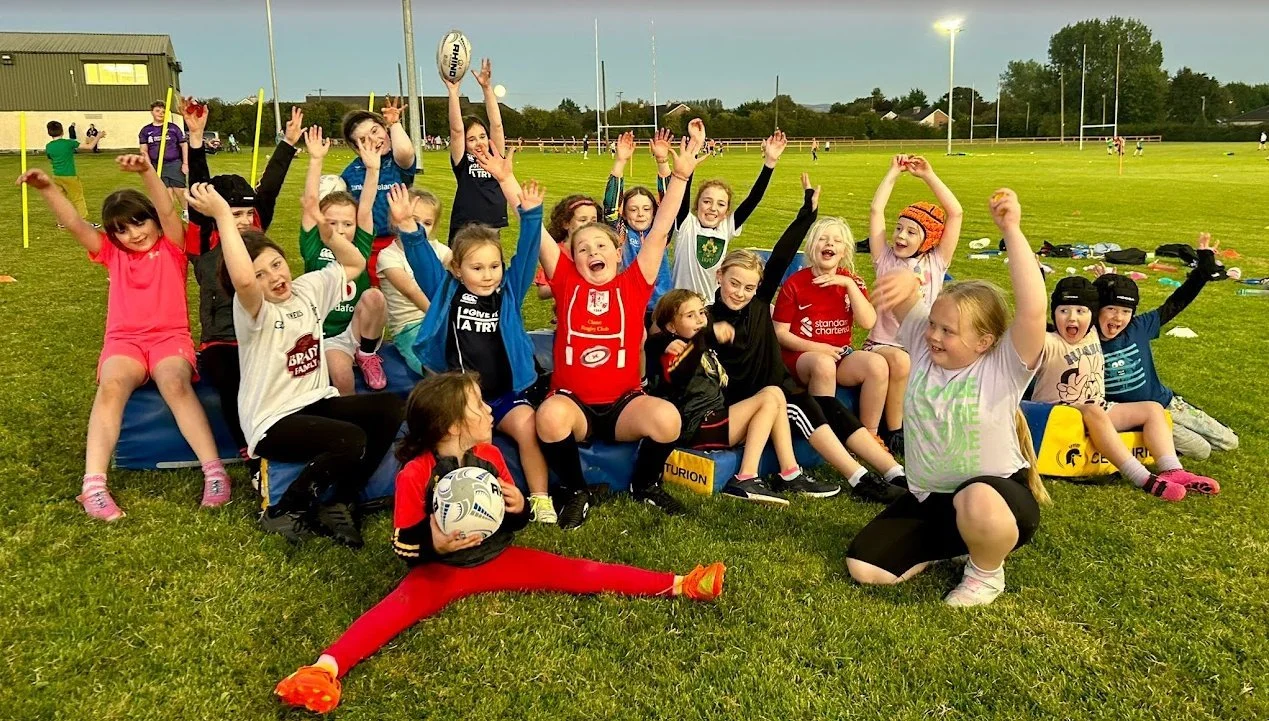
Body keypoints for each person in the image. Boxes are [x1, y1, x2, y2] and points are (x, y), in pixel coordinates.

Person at [272, 372, 725, 713]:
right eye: (479, 406)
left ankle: (682, 583)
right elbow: (404, 547)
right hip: (440, 572)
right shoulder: (416, 474)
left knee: (577, 571)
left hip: (498, 558)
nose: (491, 411)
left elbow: (516, 525)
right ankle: (324, 669)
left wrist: (518, 508)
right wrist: (436, 547)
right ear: (451, 424)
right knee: (390, 611)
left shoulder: (489, 457)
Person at [476, 121, 706, 528]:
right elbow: (537, 230)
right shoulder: (565, 280)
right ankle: (577, 490)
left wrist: (682, 176)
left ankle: (645, 484)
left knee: (667, 418)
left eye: (601, 245)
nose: (592, 251)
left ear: (618, 255)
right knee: (548, 417)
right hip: (575, 404)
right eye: (583, 248)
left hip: (622, 406)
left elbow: (659, 231)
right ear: (573, 257)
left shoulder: (633, 284)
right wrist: (507, 178)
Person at [846, 188, 1048, 608]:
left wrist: (1010, 228)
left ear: (984, 342)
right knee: (865, 568)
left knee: (975, 499)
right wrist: (906, 276)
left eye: (948, 331)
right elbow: (901, 291)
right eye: (933, 324)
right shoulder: (922, 344)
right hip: (930, 500)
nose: (932, 335)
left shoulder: (1004, 366)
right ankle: (958, 544)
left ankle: (986, 571)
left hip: (998, 499)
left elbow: (1032, 311)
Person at [187, 176, 405, 546]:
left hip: (313, 402)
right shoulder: (252, 309)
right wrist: (224, 215)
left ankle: (341, 501)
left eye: (276, 264)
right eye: (261, 274)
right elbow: (241, 279)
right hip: (272, 421)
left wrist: (329, 233)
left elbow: (353, 264)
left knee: (389, 409)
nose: (274, 277)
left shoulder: (306, 290)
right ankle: (287, 509)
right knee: (349, 439)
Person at [18, 156, 230, 521]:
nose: (134, 234)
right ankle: (94, 486)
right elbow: (73, 223)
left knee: (175, 383)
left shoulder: (172, 247)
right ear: (113, 235)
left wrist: (147, 172)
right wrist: (48, 188)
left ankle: (214, 472)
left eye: (139, 222)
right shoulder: (112, 254)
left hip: (169, 339)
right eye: (121, 230)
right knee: (112, 385)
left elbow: (166, 210)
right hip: (124, 341)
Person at [708, 174, 906, 505]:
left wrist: (807, 214)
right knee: (808, 409)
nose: (741, 293)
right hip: (755, 402)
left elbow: (782, 257)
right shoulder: (708, 318)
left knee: (830, 408)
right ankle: (860, 480)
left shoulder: (757, 303)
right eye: (734, 284)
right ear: (720, 277)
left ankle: (893, 472)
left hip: (780, 389)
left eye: (749, 286)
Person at [397, 174, 557, 525]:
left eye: (494, 266)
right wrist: (409, 227)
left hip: (503, 394)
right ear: (457, 269)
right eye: (477, 267)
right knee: (455, 441)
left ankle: (541, 498)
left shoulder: (508, 292)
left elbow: (528, 256)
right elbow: (422, 258)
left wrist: (530, 217)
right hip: (463, 398)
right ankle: (452, 491)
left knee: (528, 426)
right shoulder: (447, 291)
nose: (488, 275)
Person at [183, 98, 302, 462]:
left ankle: (292, 431)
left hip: (265, 328)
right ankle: (248, 447)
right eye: (235, 213)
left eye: (248, 212)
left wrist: (287, 144)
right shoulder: (204, 235)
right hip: (223, 339)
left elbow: (270, 189)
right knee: (231, 379)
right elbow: (199, 190)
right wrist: (196, 139)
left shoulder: (255, 226)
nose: (245, 220)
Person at [1030, 274, 1219, 501]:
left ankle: (1173, 470)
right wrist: (1035, 277)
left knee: (1152, 409)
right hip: (1056, 415)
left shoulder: (1092, 334)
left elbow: (1106, 308)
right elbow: (1030, 317)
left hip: (1097, 407)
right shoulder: (1047, 340)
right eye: (1064, 312)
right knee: (1093, 411)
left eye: (1081, 312)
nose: (1072, 318)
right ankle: (1142, 477)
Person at [646, 289, 818, 506]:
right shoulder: (674, 350)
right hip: (698, 426)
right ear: (672, 326)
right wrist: (699, 339)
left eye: (701, 312)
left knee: (774, 393)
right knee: (770, 396)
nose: (700, 319)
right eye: (690, 316)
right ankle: (745, 478)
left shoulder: (703, 345)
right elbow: (677, 372)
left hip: (716, 418)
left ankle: (790, 472)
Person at [1094, 235, 1237, 461]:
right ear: (1097, 309)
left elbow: (1176, 302)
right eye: (1110, 309)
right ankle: (1148, 436)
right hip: (1139, 417)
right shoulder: (1086, 339)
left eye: (1125, 311)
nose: (1117, 318)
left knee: (1230, 442)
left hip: (1168, 402)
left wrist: (1204, 264)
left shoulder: (1138, 327)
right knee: (1201, 451)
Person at [864, 154, 964, 456]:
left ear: (929, 239)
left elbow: (956, 213)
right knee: (901, 361)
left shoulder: (936, 260)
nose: (901, 235)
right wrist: (893, 172)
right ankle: (895, 431)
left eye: (911, 231)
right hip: (882, 344)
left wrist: (929, 176)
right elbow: (875, 209)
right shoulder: (884, 258)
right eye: (899, 228)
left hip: (923, 345)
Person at [773, 215, 892, 442]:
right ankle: (822, 434)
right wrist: (819, 348)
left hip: (839, 355)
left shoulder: (852, 282)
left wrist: (847, 285)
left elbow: (868, 322)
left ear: (845, 251)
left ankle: (869, 435)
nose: (829, 244)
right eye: (823, 239)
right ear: (811, 247)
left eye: (837, 241)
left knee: (877, 364)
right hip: (802, 358)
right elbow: (780, 334)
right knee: (823, 364)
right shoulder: (796, 283)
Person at [302, 127, 389, 395]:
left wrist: (373, 170)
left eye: (347, 224)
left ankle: (366, 353)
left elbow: (366, 206)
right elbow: (311, 202)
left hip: (358, 326)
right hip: (329, 335)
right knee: (342, 377)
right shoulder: (314, 242)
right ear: (320, 223)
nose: (340, 230)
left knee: (375, 297)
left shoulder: (360, 243)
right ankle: (352, 425)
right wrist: (316, 160)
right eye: (332, 223)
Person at [669, 126, 786, 299]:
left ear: (726, 211)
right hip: (679, 306)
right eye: (707, 201)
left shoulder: (726, 227)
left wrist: (770, 163)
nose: (713, 208)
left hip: (709, 308)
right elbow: (683, 186)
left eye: (721, 204)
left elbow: (753, 199)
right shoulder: (686, 224)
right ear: (697, 205)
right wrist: (695, 146)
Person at [340, 95, 418, 292]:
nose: (375, 140)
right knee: (373, 300)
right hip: (368, 245)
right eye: (364, 139)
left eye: (376, 130)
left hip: (399, 242)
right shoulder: (351, 173)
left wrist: (395, 123)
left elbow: (406, 152)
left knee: (404, 298)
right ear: (357, 148)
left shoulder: (397, 161)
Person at [375, 187, 451, 375]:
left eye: (427, 222)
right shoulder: (388, 256)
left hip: (441, 318)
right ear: (395, 218)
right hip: (410, 327)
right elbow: (412, 291)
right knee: (433, 367)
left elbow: (458, 271)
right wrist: (445, 319)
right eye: (414, 220)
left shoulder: (439, 249)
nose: (420, 227)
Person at [605, 129, 675, 323]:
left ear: (654, 212)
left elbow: (671, 200)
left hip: (662, 306)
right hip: (629, 305)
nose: (640, 213)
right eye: (633, 209)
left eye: (646, 208)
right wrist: (620, 162)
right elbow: (610, 207)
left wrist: (662, 162)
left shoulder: (661, 232)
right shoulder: (621, 233)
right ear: (624, 214)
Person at [444, 58, 507, 242]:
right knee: (462, 268)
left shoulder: (495, 156)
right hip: (465, 226)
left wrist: (487, 88)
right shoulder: (463, 161)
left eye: (481, 137)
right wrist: (453, 93)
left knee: (490, 267)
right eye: (471, 139)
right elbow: (456, 131)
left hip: (493, 224)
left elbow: (496, 125)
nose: (479, 142)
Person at [534, 194, 600, 301]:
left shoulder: (601, 250)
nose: (589, 225)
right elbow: (543, 291)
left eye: (593, 221)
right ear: (566, 224)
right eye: (582, 220)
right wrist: (573, 281)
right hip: (566, 313)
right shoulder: (555, 252)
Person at [44, 120, 103, 224]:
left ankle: (61, 222)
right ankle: (84, 222)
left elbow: (50, 158)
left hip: (56, 176)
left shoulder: (48, 146)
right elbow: (89, 147)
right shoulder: (68, 143)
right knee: (78, 198)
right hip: (69, 175)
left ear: (49, 132)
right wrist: (98, 136)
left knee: (60, 200)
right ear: (62, 131)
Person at [138, 99, 189, 214]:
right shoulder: (146, 131)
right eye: (157, 110)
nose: (161, 113)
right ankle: (171, 215)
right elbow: (144, 150)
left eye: (163, 111)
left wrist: (185, 163)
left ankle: (186, 212)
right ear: (152, 112)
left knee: (180, 190)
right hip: (157, 165)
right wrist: (149, 167)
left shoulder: (173, 128)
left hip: (174, 163)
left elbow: (184, 145)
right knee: (166, 192)